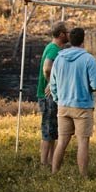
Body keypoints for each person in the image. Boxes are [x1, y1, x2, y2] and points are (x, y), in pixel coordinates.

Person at [49, 27, 96, 177]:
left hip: (63, 106)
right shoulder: (88, 59)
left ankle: (54, 174)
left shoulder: (59, 58)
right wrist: (88, 88)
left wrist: (57, 98)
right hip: (82, 106)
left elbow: (52, 84)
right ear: (83, 40)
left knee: (61, 142)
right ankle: (84, 176)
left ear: (70, 40)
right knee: (83, 143)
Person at [36, 21, 69, 166]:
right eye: (67, 32)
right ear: (61, 34)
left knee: (52, 130)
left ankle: (49, 161)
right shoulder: (54, 49)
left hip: (50, 96)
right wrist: (51, 83)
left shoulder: (51, 47)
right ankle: (44, 163)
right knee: (48, 131)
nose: (68, 34)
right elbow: (47, 68)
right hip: (48, 96)